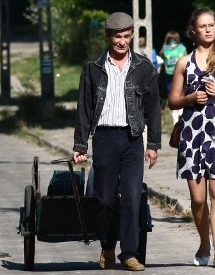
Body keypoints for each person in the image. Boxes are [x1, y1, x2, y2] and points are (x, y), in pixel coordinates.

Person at [72, 12, 161, 271]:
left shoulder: (144, 67)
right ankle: (108, 246)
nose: (121, 41)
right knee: (105, 199)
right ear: (109, 36)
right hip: (105, 138)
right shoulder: (93, 67)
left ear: (132, 35)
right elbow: (84, 108)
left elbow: (153, 109)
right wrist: (80, 145)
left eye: (125, 36)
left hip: (133, 139)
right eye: (116, 36)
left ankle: (129, 253)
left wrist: (153, 144)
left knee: (133, 197)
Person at [168, 7, 215, 268]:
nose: (208, 29)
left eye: (212, 25)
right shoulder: (183, 63)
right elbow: (172, 101)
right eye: (203, 26)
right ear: (193, 31)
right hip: (191, 134)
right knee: (198, 199)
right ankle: (204, 243)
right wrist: (190, 98)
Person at [160, 30, 188, 124]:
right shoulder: (182, 48)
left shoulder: (164, 49)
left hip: (170, 73)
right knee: (180, 92)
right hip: (179, 73)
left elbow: (163, 58)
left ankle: (176, 116)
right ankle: (179, 114)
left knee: (172, 93)